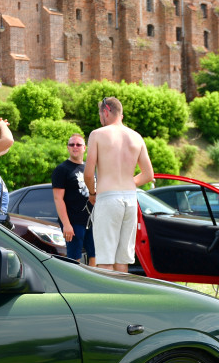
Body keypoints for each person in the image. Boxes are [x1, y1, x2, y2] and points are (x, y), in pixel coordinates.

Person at [84, 97, 153, 272]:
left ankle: (107, 299)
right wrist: (129, 183)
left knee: (105, 259)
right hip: (130, 199)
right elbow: (148, 175)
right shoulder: (136, 137)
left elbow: (89, 174)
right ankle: (123, 299)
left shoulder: (98, 134)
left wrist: (92, 193)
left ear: (105, 112)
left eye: (101, 114)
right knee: (122, 259)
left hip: (108, 198)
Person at [52, 133, 96, 265]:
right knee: (74, 258)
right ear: (68, 148)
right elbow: (58, 199)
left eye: (78, 144)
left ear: (84, 148)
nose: (75, 147)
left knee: (95, 254)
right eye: (71, 144)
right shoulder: (62, 170)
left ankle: (93, 284)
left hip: (91, 219)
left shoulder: (89, 168)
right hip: (73, 221)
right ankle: (73, 285)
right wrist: (66, 224)